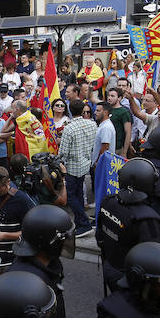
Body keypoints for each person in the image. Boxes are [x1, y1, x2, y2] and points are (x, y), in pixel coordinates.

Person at [97, 158, 160, 293]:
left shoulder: (108, 202)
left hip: (110, 269)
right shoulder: (148, 220)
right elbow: (153, 262)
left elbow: (100, 237)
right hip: (131, 282)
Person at [59, 99, 98, 236]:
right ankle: (81, 222)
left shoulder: (69, 128)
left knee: (71, 196)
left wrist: (60, 165)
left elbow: (63, 152)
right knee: (78, 194)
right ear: (82, 111)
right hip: (85, 163)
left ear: (69, 110)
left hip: (72, 166)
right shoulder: (92, 124)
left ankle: (84, 223)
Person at [92, 101, 116, 166]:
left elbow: (105, 146)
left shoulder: (106, 127)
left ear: (105, 112)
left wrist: (97, 163)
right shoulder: (103, 124)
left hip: (103, 165)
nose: (95, 113)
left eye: (98, 111)